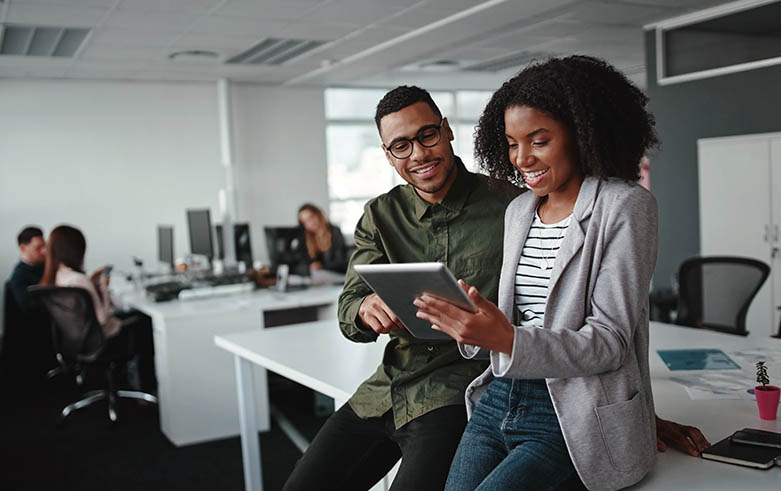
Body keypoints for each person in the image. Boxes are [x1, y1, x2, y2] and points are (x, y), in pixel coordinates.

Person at [285, 84, 707, 491]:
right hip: (395, 385)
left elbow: (602, 331)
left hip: (459, 392)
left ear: (447, 129)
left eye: (427, 134)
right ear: (388, 154)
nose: (418, 153)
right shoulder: (382, 215)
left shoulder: (513, 202)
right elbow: (350, 304)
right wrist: (363, 309)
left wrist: (630, 415)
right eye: (401, 145)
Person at [413, 55, 707, 491]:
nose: (522, 158)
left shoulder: (624, 206)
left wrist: (507, 338)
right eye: (512, 143)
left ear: (581, 134)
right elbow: (523, 321)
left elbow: (609, 343)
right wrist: (475, 325)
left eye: (539, 140)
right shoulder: (519, 211)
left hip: (570, 410)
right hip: (500, 394)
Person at [40, 225, 156, 393]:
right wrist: (102, 286)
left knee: (131, 315)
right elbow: (102, 318)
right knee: (145, 321)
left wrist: (92, 284)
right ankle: (146, 387)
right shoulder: (79, 280)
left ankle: (132, 382)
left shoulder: (56, 276)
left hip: (75, 343)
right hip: (101, 343)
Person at [297, 203, 349, 273]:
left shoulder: (334, 232)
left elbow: (341, 261)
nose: (310, 223)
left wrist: (323, 266)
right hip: (316, 276)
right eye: (305, 222)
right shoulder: (305, 238)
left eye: (311, 217)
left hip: (336, 273)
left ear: (319, 215)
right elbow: (301, 262)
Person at [7, 226, 47, 314]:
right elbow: (30, 309)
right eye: (38, 248)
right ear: (23, 248)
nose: (44, 251)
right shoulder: (18, 277)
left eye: (45, 246)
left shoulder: (48, 266)